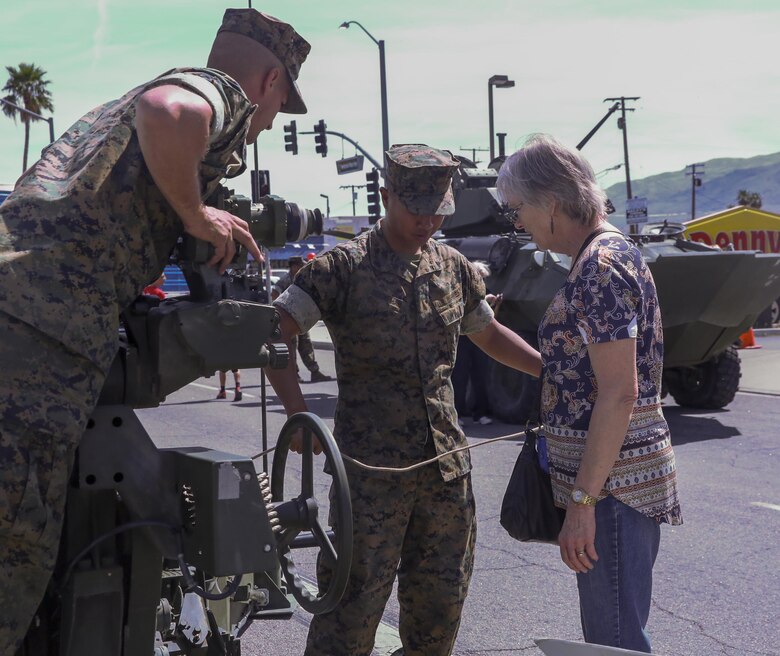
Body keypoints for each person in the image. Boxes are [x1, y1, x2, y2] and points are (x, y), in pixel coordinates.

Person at [0, 8, 311, 652]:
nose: (274, 120)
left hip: (21, 305)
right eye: (282, 103)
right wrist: (197, 215)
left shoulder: (103, 118)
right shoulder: (217, 90)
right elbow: (169, 112)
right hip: (39, 334)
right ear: (269, 78)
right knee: (14, 551)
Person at [266, 144, 541, 656]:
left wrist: (549, 372)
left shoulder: (453, 266)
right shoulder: (341, 268)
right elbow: (273, 337)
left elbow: (488, 333)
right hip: (370, 478)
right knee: (348, 614)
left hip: (445, 472)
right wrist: (299, 416)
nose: (427, 221)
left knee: (439, 614)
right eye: (415, 209)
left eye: (437, 211)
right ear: (386, 195)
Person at [496, 134, 682, 653]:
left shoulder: (597, 268)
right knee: (615, 633)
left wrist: (583, 503)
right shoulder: (612, 250)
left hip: (612, 489)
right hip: (617, 482)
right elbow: (584, 373)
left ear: (552, 205)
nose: (518, 223)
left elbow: (620, 393)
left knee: (614, 642)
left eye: (519, 210)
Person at [452, 261, 502, 426]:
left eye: (483, 277)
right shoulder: (462, 290)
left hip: (480, 337)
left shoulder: (485, 292)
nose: (481, 280)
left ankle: (480, 413)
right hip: (463, 338)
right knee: (460, 376)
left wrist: (495, 305)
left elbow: (490, 320)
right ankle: (457, 413)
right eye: (479, 276)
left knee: (481, 376)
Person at [271, 255, 332, 383]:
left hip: (301, 318)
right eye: (300, 264)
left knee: (307, 345)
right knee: (291, 348)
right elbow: (274, 295)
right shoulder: (285, 280)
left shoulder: (300, 277)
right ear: (293, 266)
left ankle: (314, 371)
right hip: (289, 319)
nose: (302, 266)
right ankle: (294, 374)